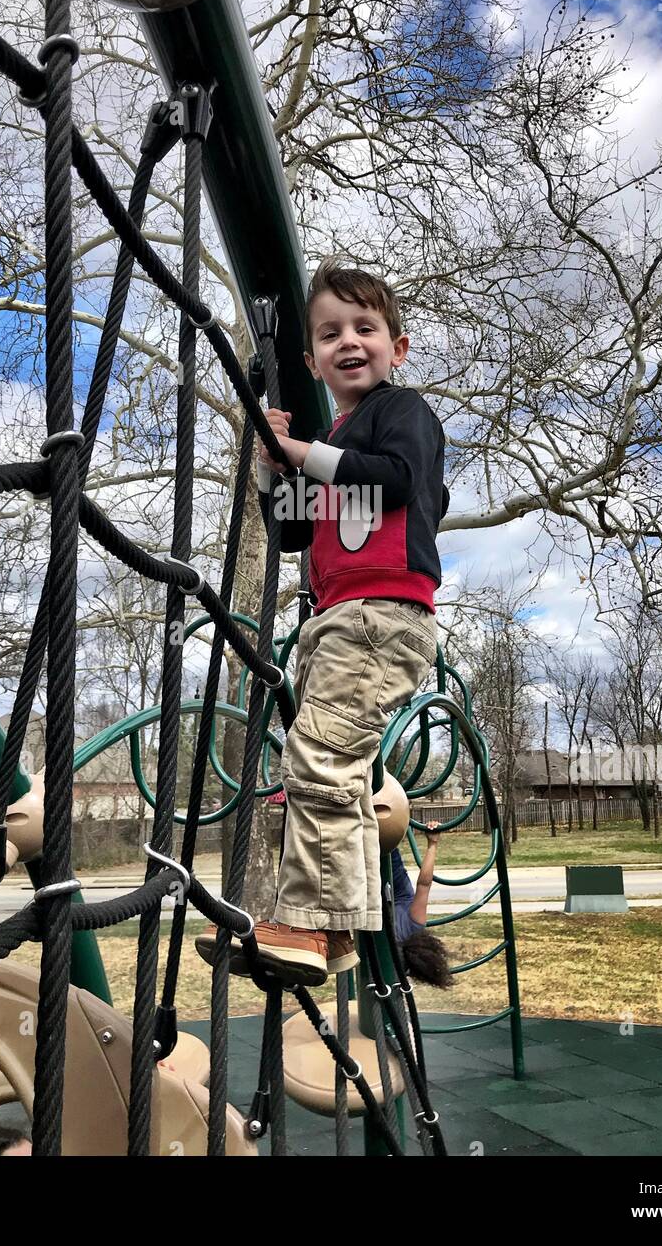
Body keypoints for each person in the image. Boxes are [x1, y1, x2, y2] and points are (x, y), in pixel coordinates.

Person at [197, 257, 448, 985]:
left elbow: (396, 479)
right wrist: (277, 469)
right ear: (311, 359)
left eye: (365, 327)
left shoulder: (401, 414)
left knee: (323, 762)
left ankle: (305, 928)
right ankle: (332, 935)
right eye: (330, 332)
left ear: (395, 348)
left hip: (381, 615)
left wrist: (302, 451)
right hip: (337, 622)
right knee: (311, 770)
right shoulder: (337, 441)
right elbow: (295, 534)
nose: (349, 341)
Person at [389, 825, 454, 989]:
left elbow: (424, 885)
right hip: (387, 888)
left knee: (385, 833)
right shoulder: (411, 928)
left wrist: (432, 843)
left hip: (392, 885)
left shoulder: (416, 925)